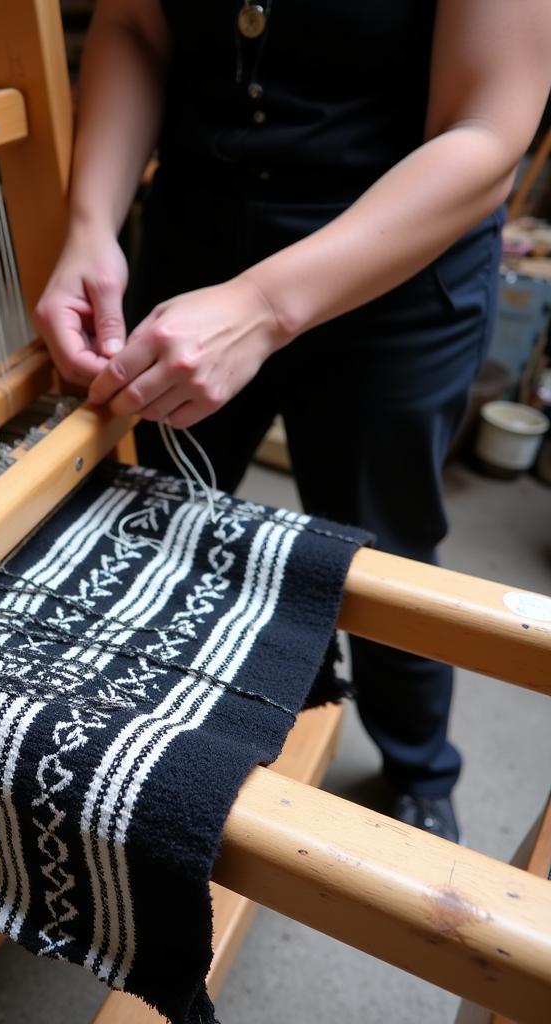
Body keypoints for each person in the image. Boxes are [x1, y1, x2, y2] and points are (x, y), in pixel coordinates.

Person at [33, 0, 551, 842]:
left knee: (386, 549)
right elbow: (133, 25)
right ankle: (117, 746)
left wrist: (266, 305)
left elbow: (489, 130)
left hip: (398, 263)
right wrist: (91, 226)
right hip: (196, 239)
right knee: (145, 514)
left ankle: (419, 765)